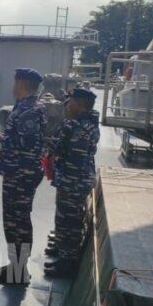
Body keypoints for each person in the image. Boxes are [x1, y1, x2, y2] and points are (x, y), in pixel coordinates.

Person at [0, 68, 47, 286]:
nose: (12, 87)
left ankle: (19, 271)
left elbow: (29, 147)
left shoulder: (30, 109)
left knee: (16, 222)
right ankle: (16, 267)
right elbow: (23, 141)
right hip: (19, 172)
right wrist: (4, 138)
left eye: (15, 82)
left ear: (21, 83)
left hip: (21, 175)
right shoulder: (27, 107)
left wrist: (5, 141)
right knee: (15, 221)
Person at [44, 88, 99, 278]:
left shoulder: (81, 129)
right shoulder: (80, 124)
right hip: (71, 181)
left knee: (70, 222)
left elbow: (75, 161)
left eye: (71, 102)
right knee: (64, 219)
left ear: (80, 105)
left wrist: (66, 185)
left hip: (72, 183)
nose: (67, 105)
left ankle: (68, 264)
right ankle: (63, 250)